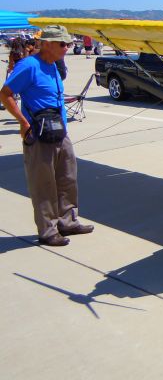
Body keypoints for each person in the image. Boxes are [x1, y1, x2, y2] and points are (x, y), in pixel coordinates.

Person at [0, 25, 94, 247]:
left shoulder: (53, 65)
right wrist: (23, 123)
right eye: (62, 44)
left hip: (59, 131)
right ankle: (48, 229)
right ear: (48, 44)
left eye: (68, 44)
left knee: (68, 177)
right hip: (39, 133)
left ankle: (68, 220)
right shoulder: (29, 65)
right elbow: (5, 94)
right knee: (44, 184)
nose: (67, 47)